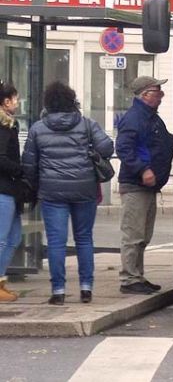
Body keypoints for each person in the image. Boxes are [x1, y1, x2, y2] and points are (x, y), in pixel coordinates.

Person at [22, 81, 113, 305]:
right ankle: (86, 288)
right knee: (84, 238)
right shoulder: (86, 124)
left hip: (52, 192)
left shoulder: (37, 129)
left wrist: (32, 190)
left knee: (56, 242)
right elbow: (107, 148)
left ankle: (59, 291)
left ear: (48, 104)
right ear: (73, 101)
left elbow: (29, 165)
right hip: (84, 190)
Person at [116, 76, 173, 295]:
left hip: (148, 187)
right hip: (136, 186)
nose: (161, 96)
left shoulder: (151, 118)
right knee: (133, 234)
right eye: (158, 92)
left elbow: (166, 142)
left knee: (143, 235)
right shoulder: (135, 118)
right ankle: (129, 279)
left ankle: (137, 276)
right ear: (145, 95)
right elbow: (123, 148)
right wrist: (143, 170)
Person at [0, 82, 27, 302]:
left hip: (10, 189)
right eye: (15, 99)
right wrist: (21, 170)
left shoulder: (9, 124)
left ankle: (1, 281)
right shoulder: (2, 126)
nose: (17, 103)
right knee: (2, 239)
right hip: (3, 189)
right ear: (6, 101)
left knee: (14, 237)